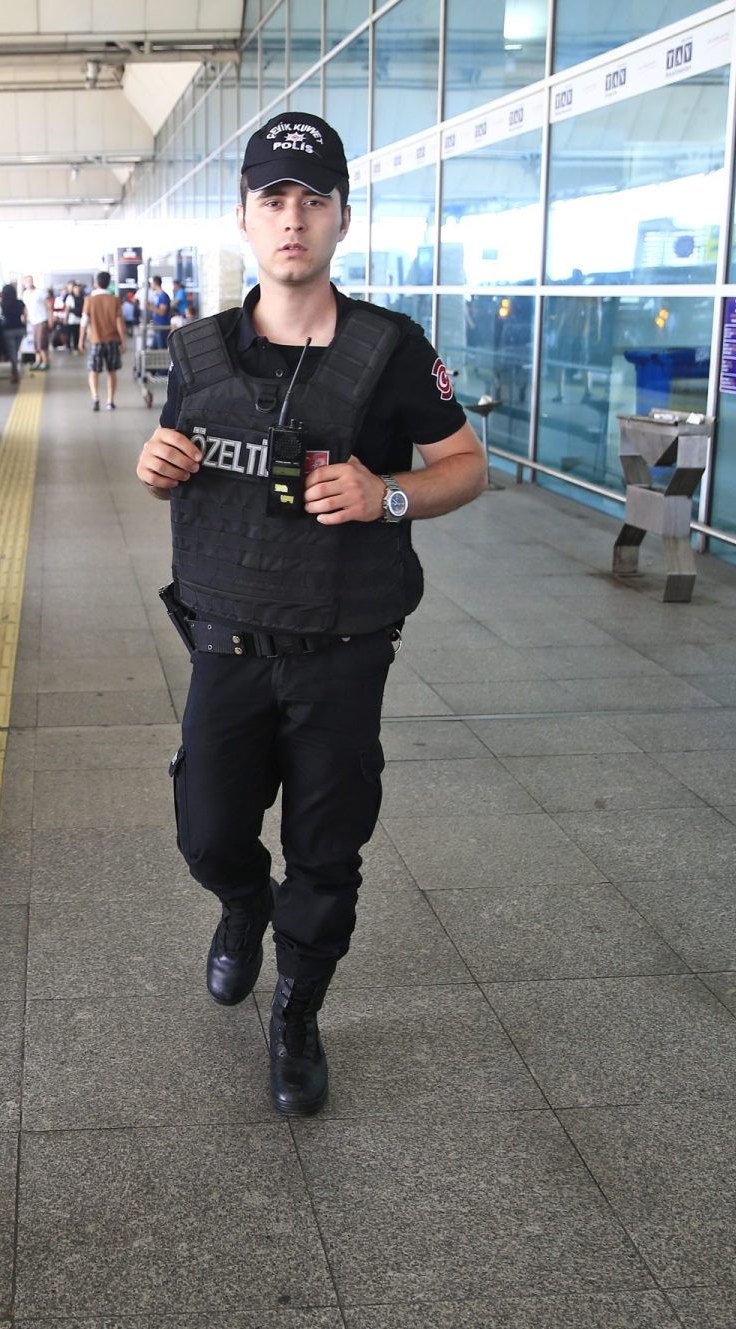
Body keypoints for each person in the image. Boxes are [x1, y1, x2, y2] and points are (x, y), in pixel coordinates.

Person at [134, 111, 485, 1117]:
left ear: (340, 220)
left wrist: (392, 494)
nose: (293, 219)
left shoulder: (391, 350)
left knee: (329, 851)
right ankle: (242, 910)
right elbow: (179, 455)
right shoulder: (197, 355)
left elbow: (469, 466)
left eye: (312, 200)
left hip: (341, 653)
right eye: (273, 200)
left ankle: (297, 1013)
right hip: (226, 647)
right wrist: (159, 467)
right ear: (244, 219)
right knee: (208, 835)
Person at [81, 270, 124, 411]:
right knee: (112, 371)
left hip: (96, 341)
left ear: (96, 283)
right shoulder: (115, 300)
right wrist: (123, 340)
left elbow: (84, 321)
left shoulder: (90, 300)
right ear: (108, 283)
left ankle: (95, 396)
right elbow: (119, 322)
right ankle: (110, 401)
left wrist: (81, 340)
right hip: (112, 340)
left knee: (93, 371)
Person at [0, 281, 27, 384]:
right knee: (15, 351)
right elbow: (25, 316)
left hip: (8, 330)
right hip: (20, 329)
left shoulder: (3, 304)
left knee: (12, 353)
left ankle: (15, 374)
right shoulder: (20, 302)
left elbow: (0, 316)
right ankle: (15, 372)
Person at [22, 277, 53, 370]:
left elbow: (49, 306)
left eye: (30, 280)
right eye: (27, 281)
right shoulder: (25, 294)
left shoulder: (40, 292)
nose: (29, 282)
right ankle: (37, 361)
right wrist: (24, 316)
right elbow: (26, 307)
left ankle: (45, 361)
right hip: (32, 322)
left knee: (41, 343)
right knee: (35, 344)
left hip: (42, 320)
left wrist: (51, 319)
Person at [146, 275, 173, 349]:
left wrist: (150, 306)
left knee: (162, 348)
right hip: (157, 325)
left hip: (162, 326)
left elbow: (162, 312)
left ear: (155, 283)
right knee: (154, 348)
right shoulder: (158, 296)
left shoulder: (163, 296)